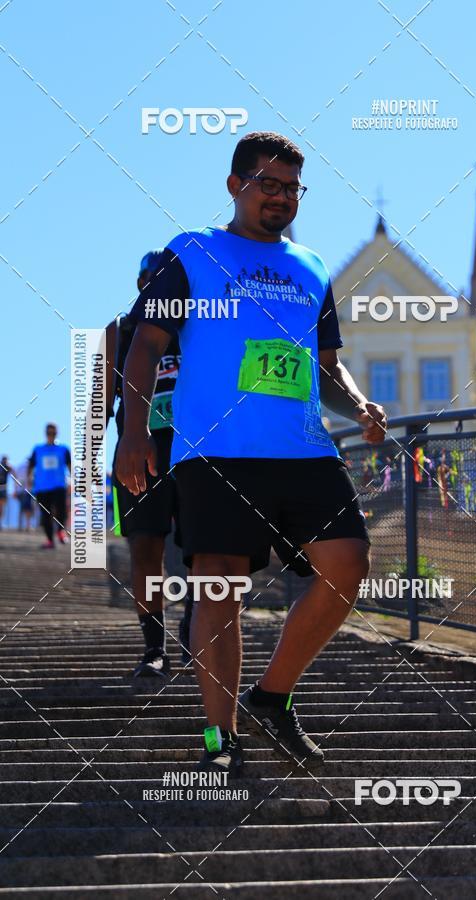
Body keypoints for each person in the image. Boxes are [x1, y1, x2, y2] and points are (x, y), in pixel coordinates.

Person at [116, 131, 387, 776]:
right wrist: (131, 433)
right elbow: (145, 347)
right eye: (269, 184)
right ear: (235, 185)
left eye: (293, 188)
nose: (282, 198)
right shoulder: (193, 254)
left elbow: (326, 368)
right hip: (217, 450)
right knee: (219, 585)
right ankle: (219, 734)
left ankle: (272, 694)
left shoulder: (313, 268)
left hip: (303, 450)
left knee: (346, 563)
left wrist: (359, 405)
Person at [106, 251, 188, 678]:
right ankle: (154, 647)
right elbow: (97, 404)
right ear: (139, 285)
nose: (156, 286)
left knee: (204, 548)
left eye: (166, 279)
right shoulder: (121, 332)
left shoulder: (203, 327)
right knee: (145, 548)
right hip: (139, 454)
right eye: (149, 280)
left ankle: (195, 626)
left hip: (196, 453)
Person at [27, 424, 70, 548]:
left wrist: (76, 480)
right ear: (45, 433)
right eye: (49, 432)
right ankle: (50, 540)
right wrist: (29, 478)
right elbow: (31, 465)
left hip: (59, 486)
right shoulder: (38, 449)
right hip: (42, 487)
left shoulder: (63, 449)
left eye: (53, 433)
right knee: (45, 514)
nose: (51, 435)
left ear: (57, 433)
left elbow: (70, 465)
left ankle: (61, 532)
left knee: (61, 511)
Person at [0, 456, 14, 529]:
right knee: (1, 507)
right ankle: (1, 523)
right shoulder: (6, 466)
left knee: (2, 507)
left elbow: (12, 470)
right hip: (3, 488)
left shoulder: (6, 467)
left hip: (3, 488)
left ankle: (1, 523)